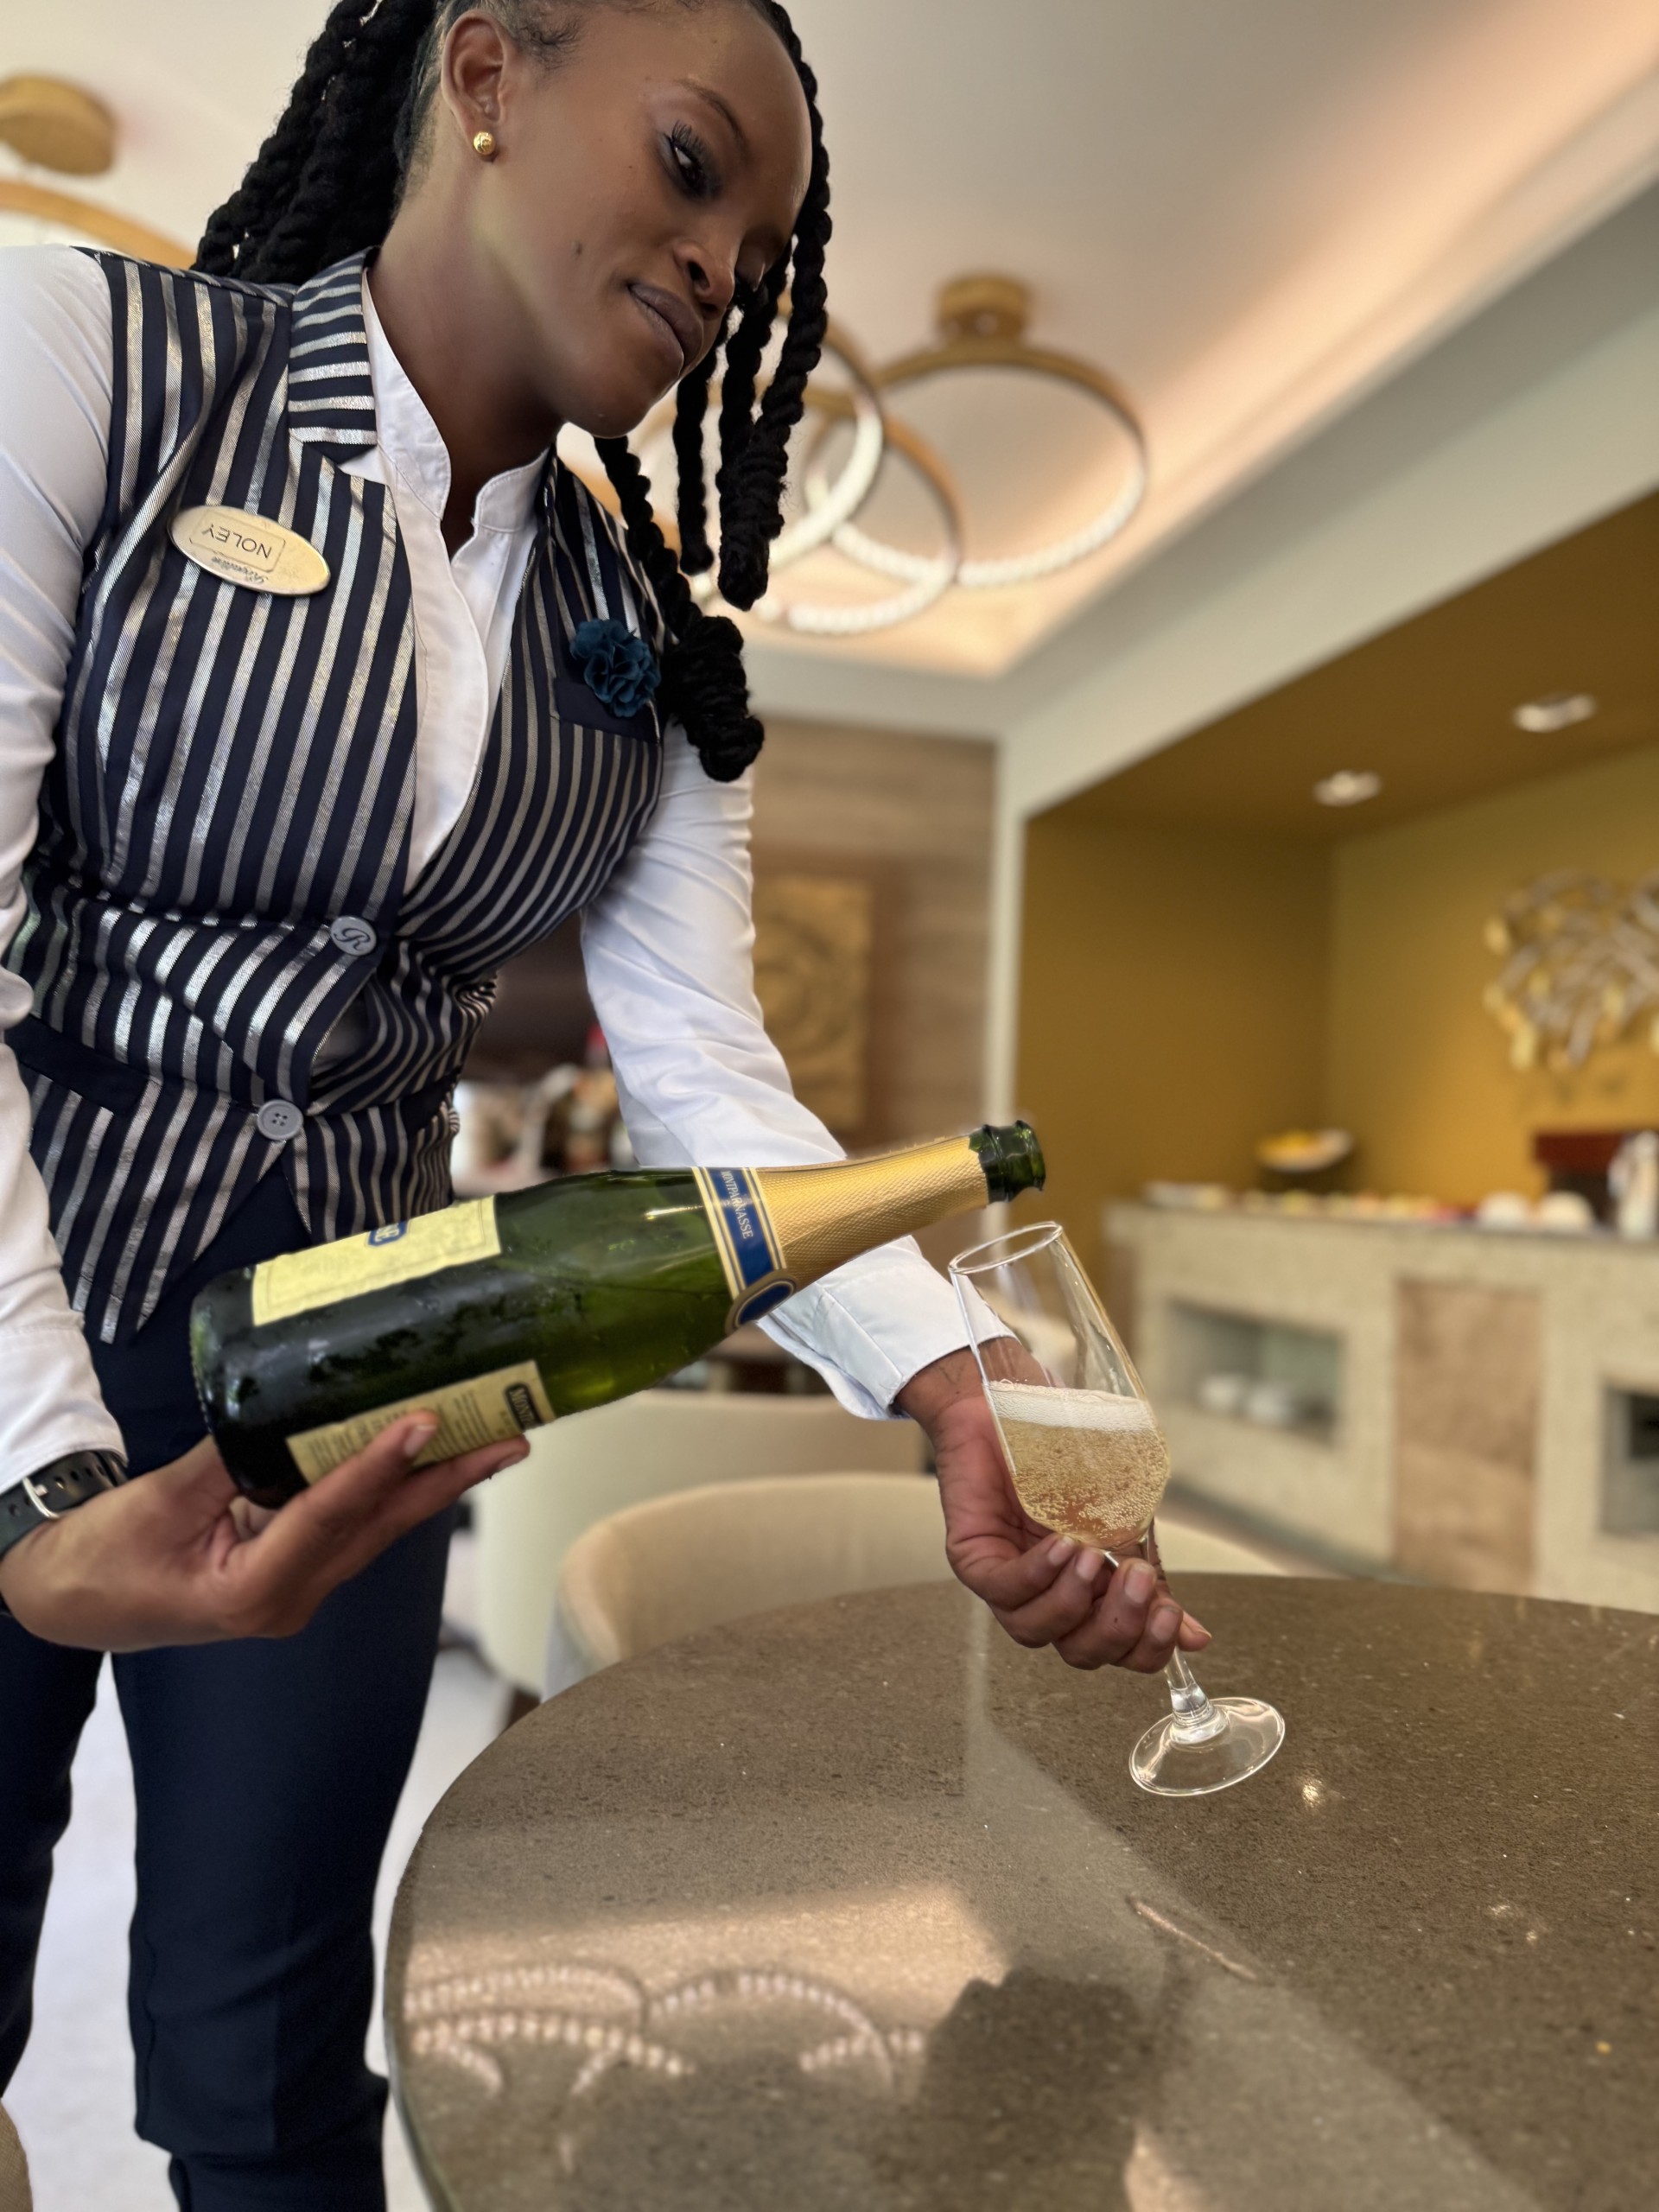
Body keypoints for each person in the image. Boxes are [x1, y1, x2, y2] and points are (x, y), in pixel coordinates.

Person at [0, 3, 1205, 2204]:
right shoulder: (83, 353)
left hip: (379, 1375)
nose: (724, 254)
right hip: (9, 1293)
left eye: (759, 236)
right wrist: (48, 1466)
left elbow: (706, 1088)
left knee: (266, 2051)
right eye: (689, 161)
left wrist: (950, 1375)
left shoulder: (662, 661)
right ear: (483, 74)